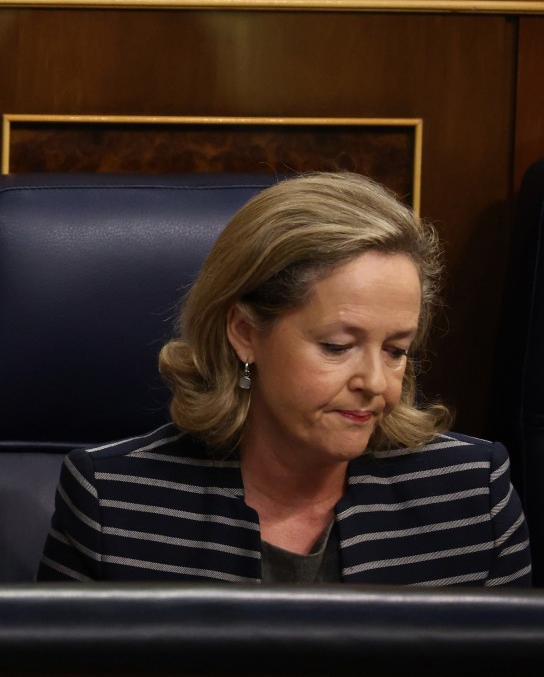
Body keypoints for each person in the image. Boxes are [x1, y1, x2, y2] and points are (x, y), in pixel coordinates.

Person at [38, 172, 531, 585]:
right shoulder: (113, 503)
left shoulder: (471, 497)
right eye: (337, 347)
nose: (376, 383)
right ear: (245, 333)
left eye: (396, 350)